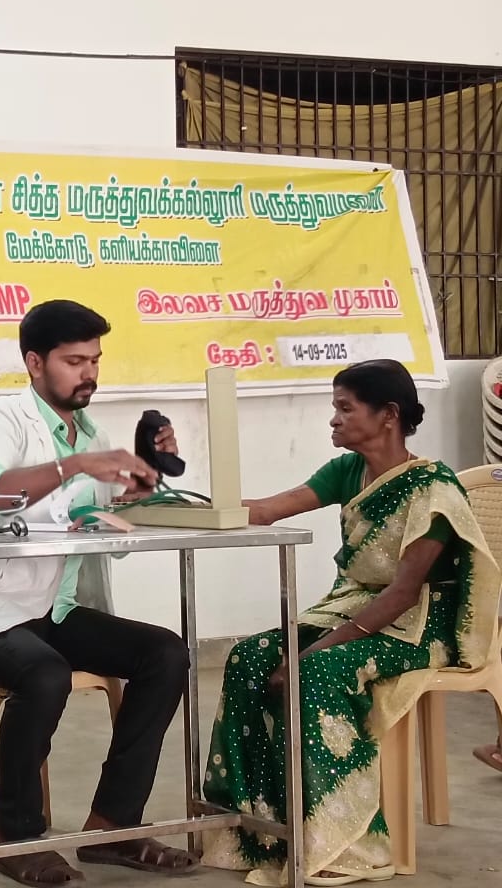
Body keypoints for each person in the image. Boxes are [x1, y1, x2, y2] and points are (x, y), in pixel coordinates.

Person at [0, 299, 199, 886]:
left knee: (165, 654)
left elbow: (93, 517)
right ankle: (18, 838)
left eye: (94, 360)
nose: (89, 373)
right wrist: (76, 465)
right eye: (74, 362)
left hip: (55, 607)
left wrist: (144, 481)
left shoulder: (90, 433)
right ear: (35, 362)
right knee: (45, 673)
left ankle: (112, 827)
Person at [202, 360, 500, 886]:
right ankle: (264, 830)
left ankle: (346, 841)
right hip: (352, 607)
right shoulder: (346, 471)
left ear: (388, 415)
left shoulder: (431, 488)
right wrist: (176, 501)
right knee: (250, 656)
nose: (333, 419)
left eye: (345, 408)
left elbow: (403, 594)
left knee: (316, 672)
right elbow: (266, 511)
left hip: (417, 625)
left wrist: (310, 653)